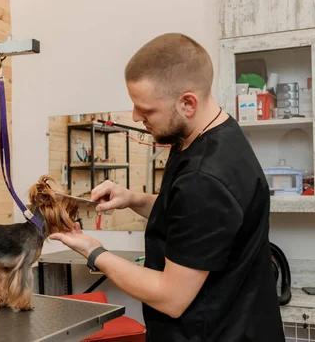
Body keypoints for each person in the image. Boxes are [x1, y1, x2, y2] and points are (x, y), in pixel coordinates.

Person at [49, 33, 285, 341]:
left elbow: (171, 297)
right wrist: (132, 198)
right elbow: (187, 215)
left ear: (187, 103)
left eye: (146, 110)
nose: (135, 117)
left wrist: (94, 252)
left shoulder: (206, 178)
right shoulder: (204, 136)